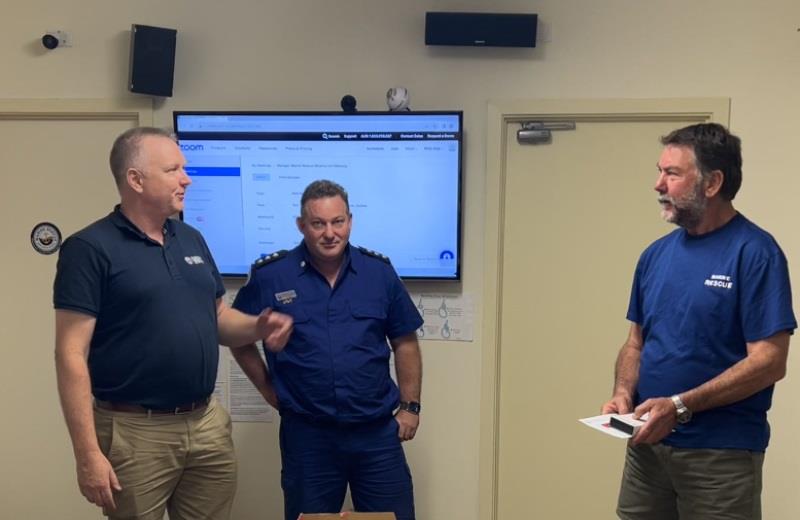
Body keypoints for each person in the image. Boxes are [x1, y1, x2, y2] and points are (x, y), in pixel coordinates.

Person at [53, 127, 294, 520]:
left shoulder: (191, 238)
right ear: (136, 179)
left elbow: (217, 318)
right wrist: (87, 454)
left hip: (205, 423)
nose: (187, 178)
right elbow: (70, 354)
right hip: (135, 432)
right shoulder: (90, 249)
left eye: (184, 168)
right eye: (173, 170)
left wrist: (258, 327)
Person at [601, 123, 796, 520]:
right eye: (660, 171)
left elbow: (770, 361)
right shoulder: (654, 256)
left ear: (712, 183)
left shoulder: (756, 253)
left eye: (672, 174)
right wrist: (624, 391)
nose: (658, 184)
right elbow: (635, 342)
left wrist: (681, 405)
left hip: (719, 457)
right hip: (645, 448)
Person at [231, 179, 423, 520]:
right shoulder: (272, 276)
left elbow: (404, 341)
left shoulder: (378, 273)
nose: (329, 233)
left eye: (338, 222)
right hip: (308, 435)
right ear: (301, 225)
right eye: (318, 224)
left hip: (375, 433)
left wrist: (409, 408)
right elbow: (238, 336)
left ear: (350, 221)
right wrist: (267, 389)